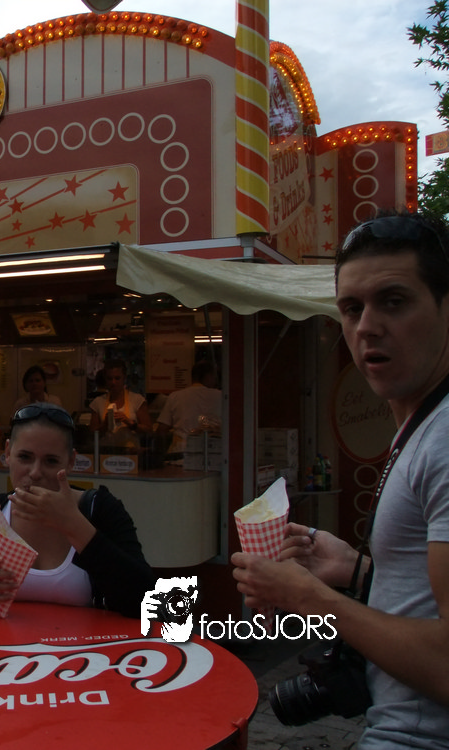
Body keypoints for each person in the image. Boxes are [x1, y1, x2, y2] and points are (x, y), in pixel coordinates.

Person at [231, 213, 449, 748]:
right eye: (352, 308)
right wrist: (355, 570)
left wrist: (310, 597)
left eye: (393, 301)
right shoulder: (422, 426)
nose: (367, 326)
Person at [0, 402, 155, 615]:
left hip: (84, 654)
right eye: (25, 457)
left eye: (51, 461)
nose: (35, 473)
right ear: (7, 453)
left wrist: (73, 525)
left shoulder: (99, 509)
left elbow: (146, 599)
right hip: (0, 654)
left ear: (71, 462)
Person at [155, 361, 222, 458]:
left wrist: (160, 454)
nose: (215, 380)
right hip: (213, 452)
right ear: (208, 376)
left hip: (182, 453)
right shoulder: (221, 396)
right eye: (214, 376)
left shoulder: (176, 396)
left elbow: (162, 430)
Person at [87, 359, 152, 446]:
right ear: (105, 379)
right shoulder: (98, 402)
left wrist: (130, 423)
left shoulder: (137, 400)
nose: (113, 382)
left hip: (130, 451)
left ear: (124, 378)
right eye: (110, 379)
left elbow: (148, 430)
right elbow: (92, 434)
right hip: (106, 450)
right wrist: (105, 425)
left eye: (117, 378)